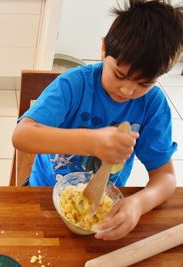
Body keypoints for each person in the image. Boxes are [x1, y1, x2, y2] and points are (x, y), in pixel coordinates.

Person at [12, 0, 183, 240]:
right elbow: (22, 136)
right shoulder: (74, 85)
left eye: (144, 83)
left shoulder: (152, 105)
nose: (127, 91)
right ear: (103, 48)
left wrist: (138, 204)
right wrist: (91, 142)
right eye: (119, 75)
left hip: (103, 206)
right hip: (42, 193)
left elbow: (165, 178)